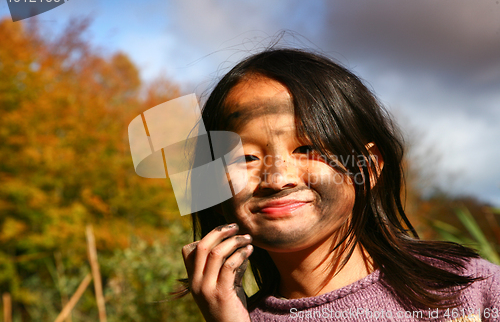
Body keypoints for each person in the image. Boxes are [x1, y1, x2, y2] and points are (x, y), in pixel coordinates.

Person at [178, 48, 500, 321]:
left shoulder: (470, 289)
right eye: (246, 158)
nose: (277, 179)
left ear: (369, 166)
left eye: (307, 149)